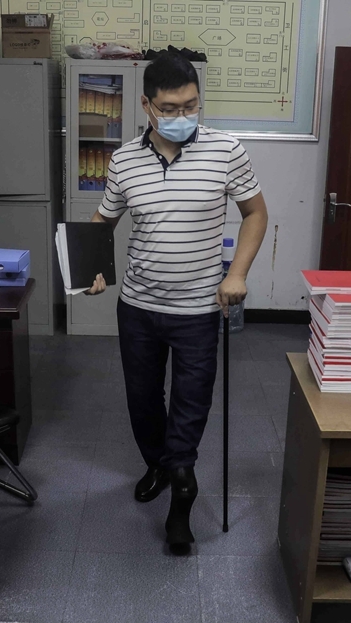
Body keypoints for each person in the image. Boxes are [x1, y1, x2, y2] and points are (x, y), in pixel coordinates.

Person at [86, 52, 268, 554]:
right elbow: (103, 221)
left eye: (191, 105)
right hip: (139, 306)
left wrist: (237, 274)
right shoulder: (124, 160)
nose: (183, 116)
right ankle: (159, 464)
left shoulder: (227, 151)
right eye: (170, 108)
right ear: (147, 105)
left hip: (199, 309)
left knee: (191, 400)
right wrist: (89, 268)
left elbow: (255, 214)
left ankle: (183, 486)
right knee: (143, 399)